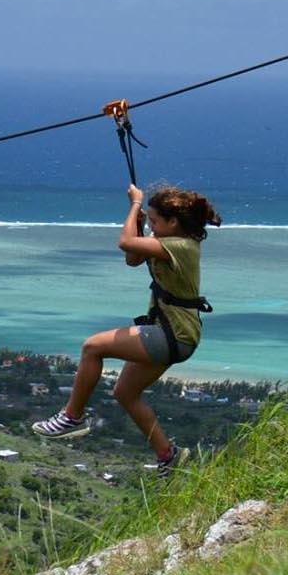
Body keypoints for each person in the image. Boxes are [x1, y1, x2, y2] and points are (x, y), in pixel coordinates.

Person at [31, 182, 220, 475]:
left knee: (93, 347)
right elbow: (133, 259)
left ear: (173, 222)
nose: (152, 227)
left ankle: (72, 417)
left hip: (172, 335)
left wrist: (135, 205)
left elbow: (125, 243)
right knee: (125, 393)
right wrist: (141, 224)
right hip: (175, 334)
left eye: (155, 221)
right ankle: (169, 456)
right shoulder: (168, 242)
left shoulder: (181, 246)